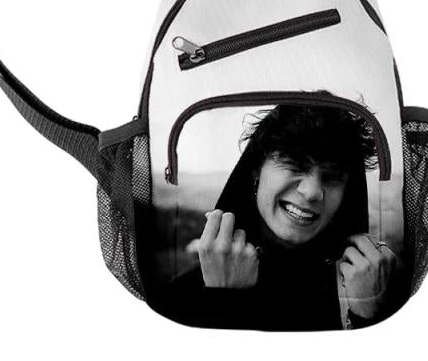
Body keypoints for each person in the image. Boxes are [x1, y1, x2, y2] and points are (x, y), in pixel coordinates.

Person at [152, 103, 403, 330]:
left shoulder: (376, 287)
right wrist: (224, 300)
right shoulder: (176, 300)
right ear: (256, 170)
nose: (312, 192)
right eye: (295, 165)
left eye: (333, 177)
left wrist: (368, 316)